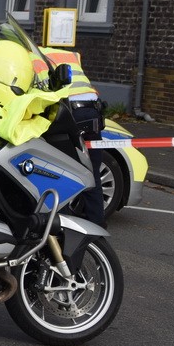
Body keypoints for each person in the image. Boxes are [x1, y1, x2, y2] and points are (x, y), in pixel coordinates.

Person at [35, 46, 107, 226]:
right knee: (92, 171)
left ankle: (64, 223)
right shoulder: (68, 55)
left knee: (62, 169)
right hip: (91, 111)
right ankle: (97, 223)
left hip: (69, 112)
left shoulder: (32, 59)